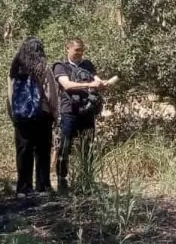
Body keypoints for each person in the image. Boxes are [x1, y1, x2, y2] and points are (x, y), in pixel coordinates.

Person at [52, 38, 115, 193]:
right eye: (76, 50)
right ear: (67, 49)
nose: (80, 53)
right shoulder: (60, 66)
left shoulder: (87, 65)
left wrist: (101, 84)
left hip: (87, 111)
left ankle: (86, 178)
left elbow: (96, 79)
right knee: (65, 146)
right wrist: (88, 85)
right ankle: (62, 179)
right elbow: (66, 84)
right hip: (69, 112)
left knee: (87, 146)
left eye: (81, 50)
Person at [9, 37, 57, 196]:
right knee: (42, 151)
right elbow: (51, 94)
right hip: (42, 114)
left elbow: (10, 94)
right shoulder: (43, 67)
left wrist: (13, 114)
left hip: (21, 116)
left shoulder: (15, 69)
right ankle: (42, 187)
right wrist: (54, 113)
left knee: (23, 151)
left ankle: (23, 189)